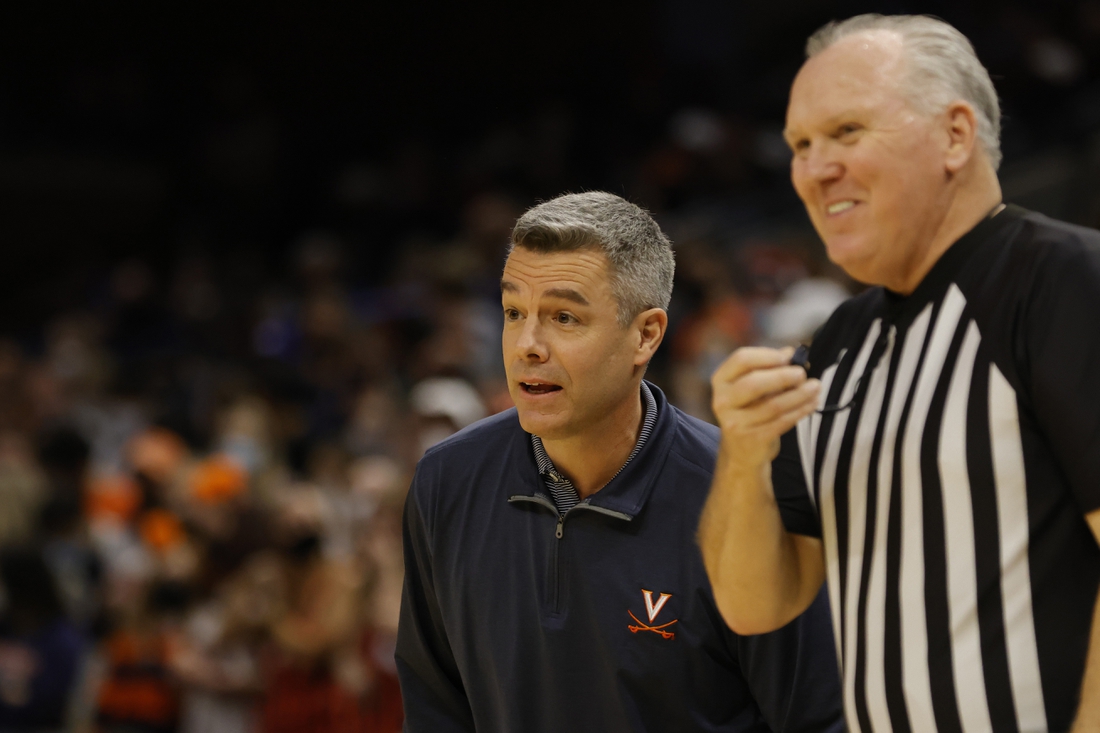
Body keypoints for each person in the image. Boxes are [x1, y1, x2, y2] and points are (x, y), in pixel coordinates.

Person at [698, 14, 1100, 733]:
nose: (816, 169)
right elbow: (753, 603)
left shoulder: (1064, 281)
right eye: (800, 145)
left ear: (954, 134)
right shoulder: (837, 345)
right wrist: (742, 453)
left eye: (847, 132)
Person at [397, 191, 843, 732]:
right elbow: (435, 707)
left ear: (646, 335)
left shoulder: (747, 492)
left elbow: (818, 719)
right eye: (514, 312)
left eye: (564, 317)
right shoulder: (447, 481)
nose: (527, 346)